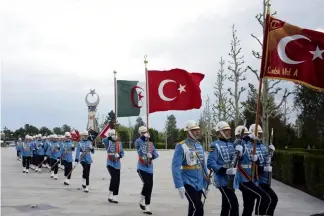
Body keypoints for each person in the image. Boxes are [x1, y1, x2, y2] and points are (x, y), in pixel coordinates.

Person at [171, 120, 210, 216]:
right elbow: (175, 167)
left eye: (198, 129)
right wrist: (179, 185)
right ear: (188, 131)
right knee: (199, 208)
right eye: (194, 130)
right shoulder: (181, 146)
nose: (198, 131)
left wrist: (207, 182)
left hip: (199, 182)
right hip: (187, 182)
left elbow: (203, 165)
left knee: (193, 208)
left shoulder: (200, 145)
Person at [234, 125, 270, 216]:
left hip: (250, 178)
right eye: (243, 135)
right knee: (263, 196)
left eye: (246, 135)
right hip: (243, 178)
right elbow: (236, 147)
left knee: (249, 205)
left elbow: (253, 161)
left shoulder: (247, 146)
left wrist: (256, 160)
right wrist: (247, 138)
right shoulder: (238, 144)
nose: (244, 136)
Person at [207, 121, 240, 216]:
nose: (229, 132)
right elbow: (210, 163)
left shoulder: (231, 144)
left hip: (231, 180)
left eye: (229, 130)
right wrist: (224, 170)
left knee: (226, 205)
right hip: (222, 180)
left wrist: (240, 151)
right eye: (226, 130)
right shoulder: (215, 145)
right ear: (220, 132)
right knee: (234, 205)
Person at [249, 124, 278, 216]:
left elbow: (266, 161)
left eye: (261, 134)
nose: (260, 136)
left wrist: (272, 155)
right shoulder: (249, 146)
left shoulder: (263, 147)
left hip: (263, 179)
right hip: (254, 179)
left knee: (273, 198)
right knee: (263, 199)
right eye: (258, 133)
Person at [135, 126, 159, 215]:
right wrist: (143, 138)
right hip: (141, 167)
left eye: (145, 132)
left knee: (150, 186)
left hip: (150, 167)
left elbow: (156, 154)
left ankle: (144, 202)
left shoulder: (151, 143)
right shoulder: (138, 141)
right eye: (142, 132)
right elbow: (138, 147)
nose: (144, 133)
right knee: (147, 184)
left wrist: (152, 156)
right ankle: (144, 203)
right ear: (140, 133)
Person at [103, 129, 124, 203]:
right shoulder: (108, 142)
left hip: (117, 163)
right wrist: (109, 137)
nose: (114, 136)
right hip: (110, 163)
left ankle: (115, 196)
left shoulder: (119, 144)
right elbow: (104, 140)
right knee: (114, 178)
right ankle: (110, 194)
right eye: (112, 135)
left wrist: (119, 155)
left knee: (117, 180)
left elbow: (122, 153)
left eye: (115, 134)